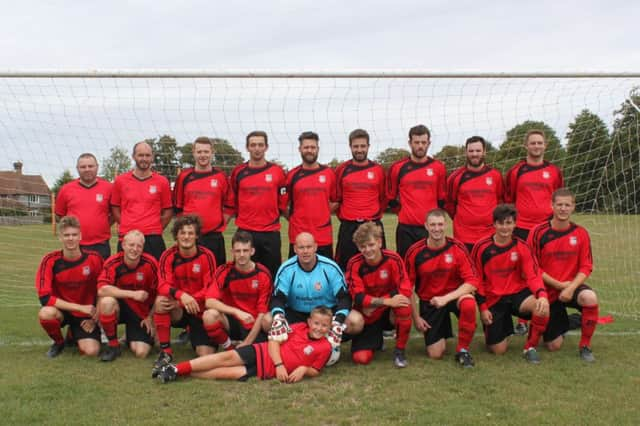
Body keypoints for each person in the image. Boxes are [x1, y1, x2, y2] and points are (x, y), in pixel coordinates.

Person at [154, 306, 333, 384]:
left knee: (225, 374)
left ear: (329, 327)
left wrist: (303, 369)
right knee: (224, 358)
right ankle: (177, 368)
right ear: (309, 321)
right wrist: (279, 364)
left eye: (324, 325)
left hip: (265, 371)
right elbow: (273, 341)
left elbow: (316, 370)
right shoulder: (297, 327)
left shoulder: (326, 347)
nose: (319, 328)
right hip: (261, 353)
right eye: (316, 323)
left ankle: (175, 372)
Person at [471, 204, 550, 364]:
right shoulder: (481, 247)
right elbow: (476, 280)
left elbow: (533, 275)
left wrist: (542, 295)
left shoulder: (522, 246)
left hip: (517, 294)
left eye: (509, 223)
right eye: (501, 223)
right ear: (494, 224)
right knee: (498, 351)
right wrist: (483, 308)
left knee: (542, 308)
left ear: (515, 224)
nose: (505, 227)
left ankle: (530, 347)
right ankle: (502, 325)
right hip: (494, 298)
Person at [528, 188, 599, 362]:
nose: (563, 208)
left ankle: (585, 346)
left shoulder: (580, 233)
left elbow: (586, 266)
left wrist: (571, 287)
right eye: (559, 204)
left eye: (567, 205)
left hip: (571, 286)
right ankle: (567, 321)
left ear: (573, 207)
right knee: (553, 346)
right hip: (547, 290)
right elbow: (532, 267)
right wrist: (559, 286)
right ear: (551, 206)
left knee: (590, 297)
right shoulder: (538, 232)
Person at [505, 129, 563, 335]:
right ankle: (522, 318)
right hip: (522, 228)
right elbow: (509, 198)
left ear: (545, 145)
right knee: (522, 272)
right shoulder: (515, 171)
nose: (536, 146)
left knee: (548, 269)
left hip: (547, 229)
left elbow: (559, 198)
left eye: (540, 143)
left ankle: (552, 312)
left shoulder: (554, 171)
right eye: (533, 143)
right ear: (526, 146)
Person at [405, 209, 479, 368]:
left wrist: (446, 298)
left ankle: (463, 350)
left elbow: (472, 282)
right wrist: (416, 318)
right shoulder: (415, 252)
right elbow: (408, 288)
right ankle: (445, 327)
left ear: (446, 225)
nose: (436, 229)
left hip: (453, 297)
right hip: (430, 301)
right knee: (435, 354)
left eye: (440, 224)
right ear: (426, 226)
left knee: (468, 303)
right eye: (432, 225)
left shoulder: (457, 247)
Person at [266, 232, 354, 365]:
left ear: (315, 247)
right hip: (297, 313)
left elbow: (344, 298)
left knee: (356, 321)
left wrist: (338, 322)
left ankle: (331, 343)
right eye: (301, 248)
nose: (305, 251)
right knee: (267, 320)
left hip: (325, 314)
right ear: (295, 249)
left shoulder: (330, 267)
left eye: (309, 247)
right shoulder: (286, 268)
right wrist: (278, 317)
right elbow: (278, 298)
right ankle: (292, 348)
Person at [151, 215, 217, 375]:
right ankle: (166, 352)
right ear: (176, 235)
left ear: (196, 235)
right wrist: (181, 296)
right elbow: (163, 285)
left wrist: (187, 299)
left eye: (190, 233)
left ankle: (193, 332)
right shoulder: (168, 255)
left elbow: (210, 288)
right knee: (161, 301)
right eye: (182, 233)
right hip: (178, 308)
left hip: (198, 309)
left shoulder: (207, 256)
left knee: (205, 355)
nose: (186, 237)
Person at [345, 222, 412, 368]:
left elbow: (405, 289)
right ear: (358, 248)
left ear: (379, 242)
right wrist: (386, 301)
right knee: (361, 358)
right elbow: (358, 297)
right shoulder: (354, 263)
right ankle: (377, 341)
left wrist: (381, 303)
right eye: (363, 247)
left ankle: (400, 351)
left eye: (371, 244)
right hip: (368, 314)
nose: (368, 250)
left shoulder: (393, 259)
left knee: (404, 305)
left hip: (384, 311)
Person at [35, 216, 103, 358]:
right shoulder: (50, 261)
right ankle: (59, 343)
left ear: (80, 236)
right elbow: (45, 298)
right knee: (45, 313)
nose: (70, 238)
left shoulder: (94, 259)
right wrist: (79, 307)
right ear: (60, 237)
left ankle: (73, 333)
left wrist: (95, 317)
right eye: (66, 235)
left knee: (91, 352)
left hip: (86, 314)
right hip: (62, 311)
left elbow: (103, 290)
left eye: (74, 235)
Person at [229, 131, 287, 277]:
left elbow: (282, 200)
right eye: (253, 145)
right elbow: (233, 198)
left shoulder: (277, 171)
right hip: (245, 231)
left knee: (272, 274)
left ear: (266, 147)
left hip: (270, 232)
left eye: (260, 145)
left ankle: (271, 300)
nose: (257, 148)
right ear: (247, 148)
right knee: (244, 273)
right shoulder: (238, 172)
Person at [202, 230, 272, 350]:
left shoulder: (263, 274)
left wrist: (248, 342)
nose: (241, 254)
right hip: (232, 322)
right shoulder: (224, 271)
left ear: (252, 251)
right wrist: (236, 312)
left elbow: (261, 313)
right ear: (232, 252)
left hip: (254, 323)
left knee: (269, 319)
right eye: (238, 251)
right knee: (209, 315)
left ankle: (270, 345)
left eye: (245, 250)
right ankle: (228, 346)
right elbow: (209, 301)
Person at [96, 230, 158, 361]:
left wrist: (151, 318)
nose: (134, 249)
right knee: (107, 302)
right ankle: (113, 346)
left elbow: (161, 294)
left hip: (140, 312)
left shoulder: (151, 264)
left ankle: (131, 335)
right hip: (120, 307)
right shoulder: (113, 262)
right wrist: (133, 294)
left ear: (143, 248)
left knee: (141, 352)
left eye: (139, 246)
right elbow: (101, 290)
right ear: (123, 245)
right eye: (131, 245)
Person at [387, 124, 447, 258]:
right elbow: (391, 198)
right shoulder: (398, 168)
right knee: (406, 267)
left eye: (423, 142)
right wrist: (404, 213)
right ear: (410, 143)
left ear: (429, 143)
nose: (420, 146)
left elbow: (442, 200)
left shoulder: (438, 167)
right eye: (417, 142)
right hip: (406, 229)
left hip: (430, 229)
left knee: (431, 268)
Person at [173, 136, 233, 266]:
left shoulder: (221, 177)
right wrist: (184, 230)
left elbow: (230, 205)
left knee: (216, 276)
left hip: (214, 237)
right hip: (190, 237)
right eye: (199, 152)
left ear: (212, 153)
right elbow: (177, 208)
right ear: (193, 153)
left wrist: (220, 223)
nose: (203, 155)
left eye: (206, 152)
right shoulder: (184, 177)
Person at [334, 129, 387, 271]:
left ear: (368, 146)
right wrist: (348, 217)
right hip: (349, 227)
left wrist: (373, 217)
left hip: (372, 224)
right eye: (356, 146)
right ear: (350, 146)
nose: (359, 150)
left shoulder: (378, 170)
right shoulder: (341, 170)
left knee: (378, 266)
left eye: (363, 146)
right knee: (346, 267)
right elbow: (337, 198)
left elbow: (383, 199)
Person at [111, 141, 173, 260]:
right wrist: (126, 223)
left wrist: (155, 227)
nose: (144, 158)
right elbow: (115, 207)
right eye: (140, 155)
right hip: (127, 236)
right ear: (133, 156)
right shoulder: (120, 181)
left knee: (155, 276)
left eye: (147, 155)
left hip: (153, 238)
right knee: (125, 276)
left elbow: (168, 211)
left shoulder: (162, 182)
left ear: (152, 157)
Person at [284, 131, 338, 259]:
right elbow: (283, 205)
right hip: (298, 237)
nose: (309, 150)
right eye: (306, 147)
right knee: (297, 276)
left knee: (325, 275)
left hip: (323, 236)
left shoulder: (329, 173)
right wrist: (295, 219)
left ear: (318, 149)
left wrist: (323, 214)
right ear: (300, 149)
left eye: (313, 147)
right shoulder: (292, 175)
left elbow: (336, 200)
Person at [446, 136, 504, 253]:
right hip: (464, 236)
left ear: (484, 152)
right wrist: (465, 219)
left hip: (490, 235)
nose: (474, 154)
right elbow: (450, 204)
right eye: (471, 151)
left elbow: (500, 202)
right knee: (466, 271)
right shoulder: (455, 178)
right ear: (466, 152)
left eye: (478, 151)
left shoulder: (495, 176)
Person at [55, 153, 113, 259]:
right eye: (83, 167)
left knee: (101, 275)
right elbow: (60, 216)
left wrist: (102, 224)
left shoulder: (109, 188)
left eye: (90, 166)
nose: (87, 169)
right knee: (75, 275)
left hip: (101, 244)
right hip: (75, 245)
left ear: (97, 167)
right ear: (77, 168)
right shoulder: (66, 189)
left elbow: (114, 213)